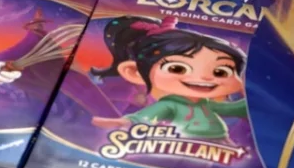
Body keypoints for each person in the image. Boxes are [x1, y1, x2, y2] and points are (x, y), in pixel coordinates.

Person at [89, 15, 248, 141]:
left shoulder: (204, 104)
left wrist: (249, 99)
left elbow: (231, 109)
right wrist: (128, 121)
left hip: (220, 142)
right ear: (135, 71)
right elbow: (147, 115)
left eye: (221, 72)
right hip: (180, 143)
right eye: (177, 68)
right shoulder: (167, 103)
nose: (205, 77)